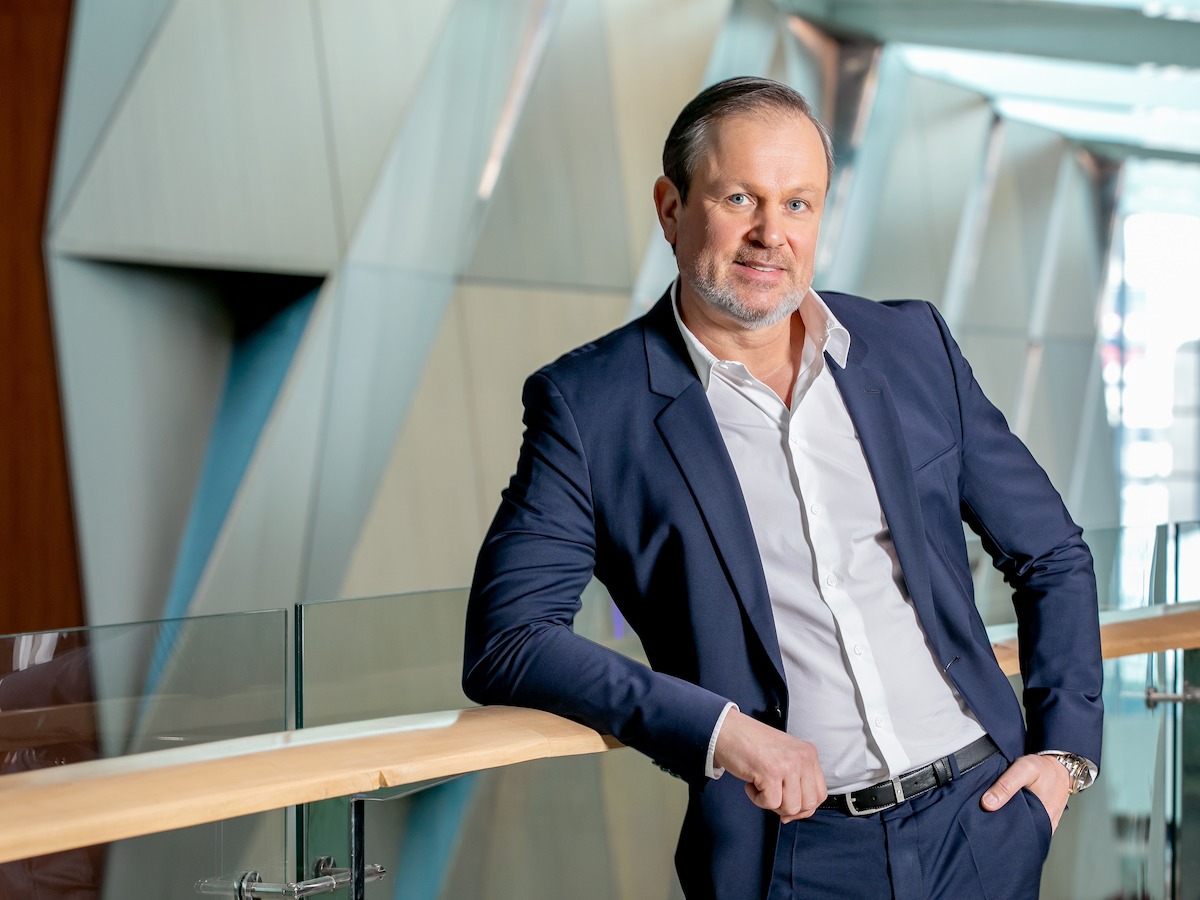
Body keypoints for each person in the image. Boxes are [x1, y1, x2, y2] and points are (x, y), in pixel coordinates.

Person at [463, 76, 1102, 900]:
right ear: (670, 208)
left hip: (981, 821)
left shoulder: (911, 346)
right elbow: (510, 639)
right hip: (790, 858)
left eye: (798, 204)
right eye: (740, 199)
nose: (771, 234)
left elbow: (1051, 553)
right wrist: (722, 732)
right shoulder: (591, 406)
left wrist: (1061, 759)